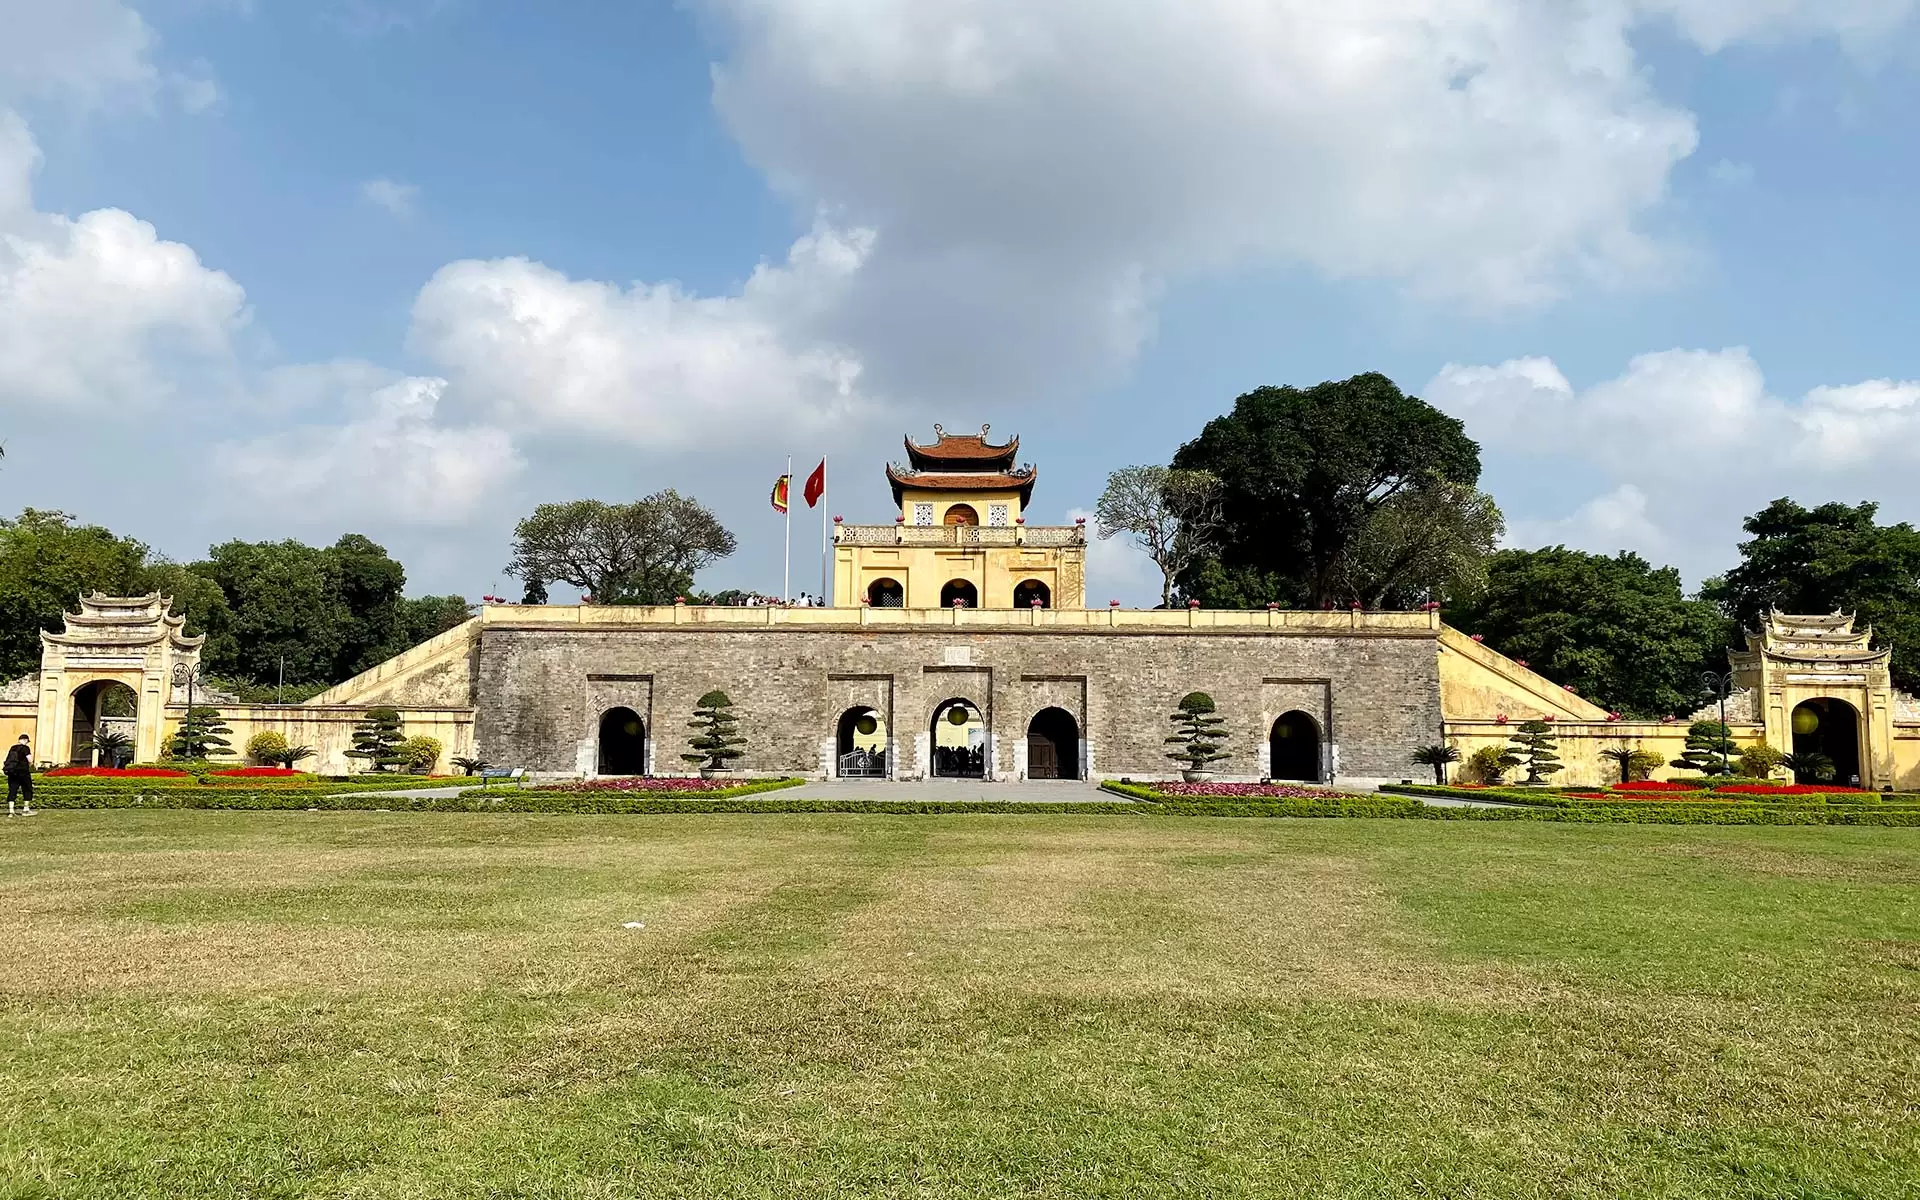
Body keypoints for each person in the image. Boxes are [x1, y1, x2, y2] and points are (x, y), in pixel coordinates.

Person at [4, 733, 32, 816]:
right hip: (23, 772)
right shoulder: (26, 748)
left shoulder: (13, 748)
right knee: (27, 789)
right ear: (26, 740)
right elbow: (30, 759)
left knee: (12, 790)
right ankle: (26, 809)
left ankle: (11, 811)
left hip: (12, 772)